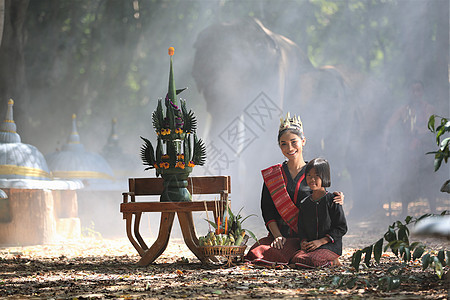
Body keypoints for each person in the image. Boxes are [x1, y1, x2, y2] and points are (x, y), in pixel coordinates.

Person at [245, 113, 344, 266]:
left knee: (299, 258)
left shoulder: (314, 172)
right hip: (282, 237)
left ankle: (315, 257)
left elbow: (325, 199)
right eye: (283, 144)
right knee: (256, 253)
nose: (289, 148)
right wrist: (277, 236)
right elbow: (268, 210)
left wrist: (337, 198)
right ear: (279, 146)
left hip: (310, 238)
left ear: (303, 141)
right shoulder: (274, 175)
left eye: (293, 142)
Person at [291, 157, 347, 268]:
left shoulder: (333, 200)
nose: (312, 179)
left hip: (330, 245)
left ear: (325, 176)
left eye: (317, 176)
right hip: (312, 246)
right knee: (295, 258)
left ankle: (333, 261)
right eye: (309, 176)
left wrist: (321, 241)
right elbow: (301, 227)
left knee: (313, 259)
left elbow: (341, 227)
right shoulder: (305, 203)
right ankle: (315, 260)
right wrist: (304, 241)